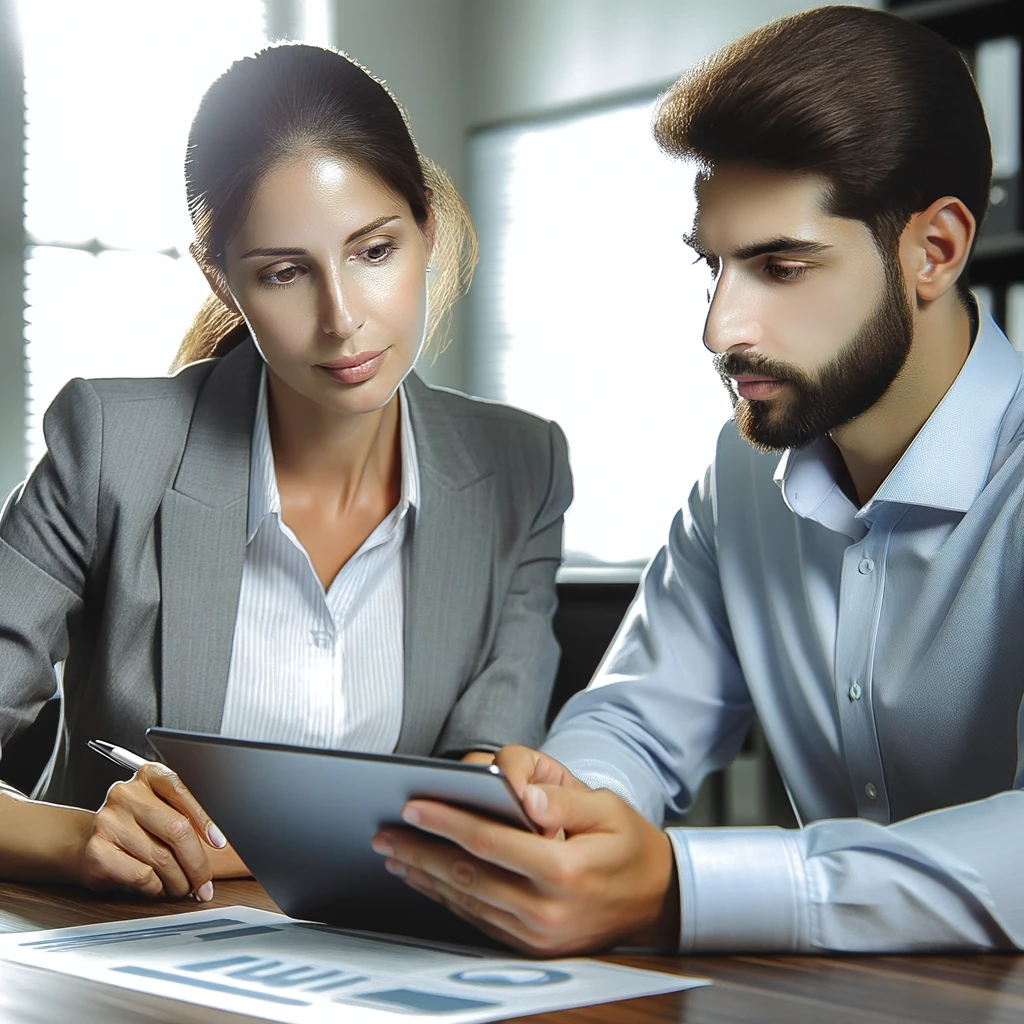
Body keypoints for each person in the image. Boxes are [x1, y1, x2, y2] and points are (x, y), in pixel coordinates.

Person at [372, 5, 1024, 955]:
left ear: (935, 251)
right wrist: (562, 822)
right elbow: (636, 719)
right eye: (713, 266)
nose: (721, 329)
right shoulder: (744, 470)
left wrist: (682, 887)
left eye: (782, 266)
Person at [0, 43, 572, 905]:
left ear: (427, 225)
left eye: (375, 251)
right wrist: (76, 837)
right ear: (221, 281)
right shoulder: (109, 446)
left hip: (384, 966)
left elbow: (483, 779)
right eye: (283, 272)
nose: (342, 320)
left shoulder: (520, 470)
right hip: (119, 964)